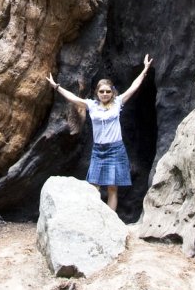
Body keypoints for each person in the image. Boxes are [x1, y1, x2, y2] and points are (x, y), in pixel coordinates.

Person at [47, 54, 152, 212]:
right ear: (97, 93)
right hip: (99, 150)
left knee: (112, 188)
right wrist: (56, 86)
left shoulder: (118, 103)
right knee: (94, 187)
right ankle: (96, 218)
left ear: (112, 93)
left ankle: (110, 222)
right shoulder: (91, 105)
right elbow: (73, 98)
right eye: (102, 91)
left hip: (115, 149)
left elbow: (133, 87)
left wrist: (145, 69)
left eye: (108, 91)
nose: (105, 94)